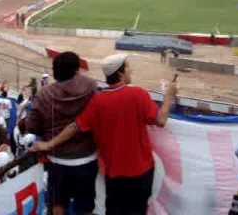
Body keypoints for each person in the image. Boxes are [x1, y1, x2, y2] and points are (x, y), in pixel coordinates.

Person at [32, 54, 178, 215]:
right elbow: (161, 120)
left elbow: (74, 126)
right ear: (121, 73)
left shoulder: (98, 101)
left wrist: (49, 144)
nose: (131, 70)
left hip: (113, 174)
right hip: (141, 172)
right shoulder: (138, 94)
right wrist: (169, 96)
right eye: (128, 67)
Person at [26, 51, 98, 215]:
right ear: (76, 71)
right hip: (87, 157)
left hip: (57, 160)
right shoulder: (92, 86)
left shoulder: (44, 94)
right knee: (86, 206)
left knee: (58, 204)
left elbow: (32, 126)